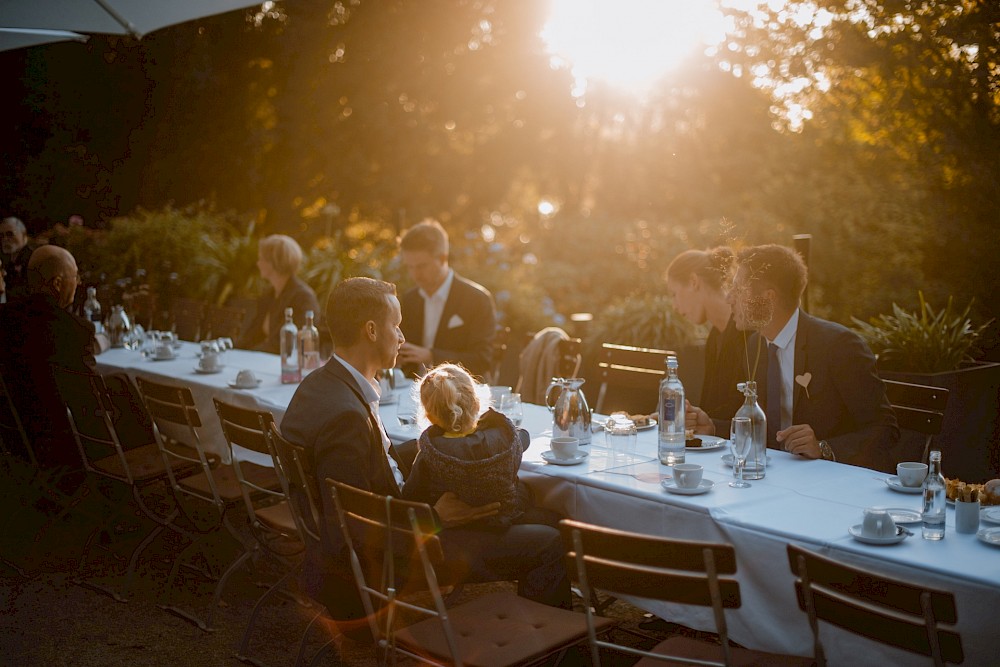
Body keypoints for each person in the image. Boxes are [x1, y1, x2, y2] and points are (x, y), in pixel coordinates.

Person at [281, 277, 570, 630]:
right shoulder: (346, 416)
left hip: (393, 525)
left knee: (543, 516)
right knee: (551, 540)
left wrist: (435, 448)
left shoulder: (322, 385)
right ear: (371, 330)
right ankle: (549, 648)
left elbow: (370, 467)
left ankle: (535, 635)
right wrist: (435, 516)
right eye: (396, 326)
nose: (402, 338)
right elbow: (353, 526)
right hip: (396, 558)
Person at [688, 244, 898, 471]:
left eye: (738, 290)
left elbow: (885, 428)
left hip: (831, 483)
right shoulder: (754, 346)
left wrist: (824, 448)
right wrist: (712, 428)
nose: (729, 299)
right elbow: (763, 428)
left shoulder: (838, 347)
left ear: (768, 298)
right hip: (776, 476)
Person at [403, 363, 535, 529]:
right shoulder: (503, 437)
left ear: (429, 417)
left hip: (459, 530)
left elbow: (410, 495)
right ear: (477, 404)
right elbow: (524, 437)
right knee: (527, 491)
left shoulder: (430, 453)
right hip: (504, 519)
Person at [0, 245, 96, 469]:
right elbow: (89, 396)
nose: (79, 283)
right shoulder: (76, 330)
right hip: (61, 443)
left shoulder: (5, 319)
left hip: (16, 434)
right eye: (75, 276)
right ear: (57, 283)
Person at [397, 220, 496, 379]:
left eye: (421, 266)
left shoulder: (477, 300)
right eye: (410, 267)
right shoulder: (410, 299)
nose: (415, 274)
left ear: (443, 258)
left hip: (460, 393)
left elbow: (482, 361)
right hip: (412, 389)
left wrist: (431, 356)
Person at [666, 247, 746, 433]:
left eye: (674, 294)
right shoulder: (715, 338)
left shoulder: (748, 335)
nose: (675, 307)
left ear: (694, 282)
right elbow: (712, 409)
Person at [238, 234, 320, 354]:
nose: (258, 264)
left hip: (286, 364)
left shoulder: (303, 297)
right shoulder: (269, 294)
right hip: (263, 358)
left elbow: (288, 344)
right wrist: (231, 349)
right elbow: (251, 335)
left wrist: (249, 354)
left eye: (261, 259)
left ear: (273, 263)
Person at [1, 216, 34, 301]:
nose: (5, 239)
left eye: (10, 234)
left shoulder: (33, 259)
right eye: (1, 236)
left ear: (23, 235)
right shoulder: (7, 261)